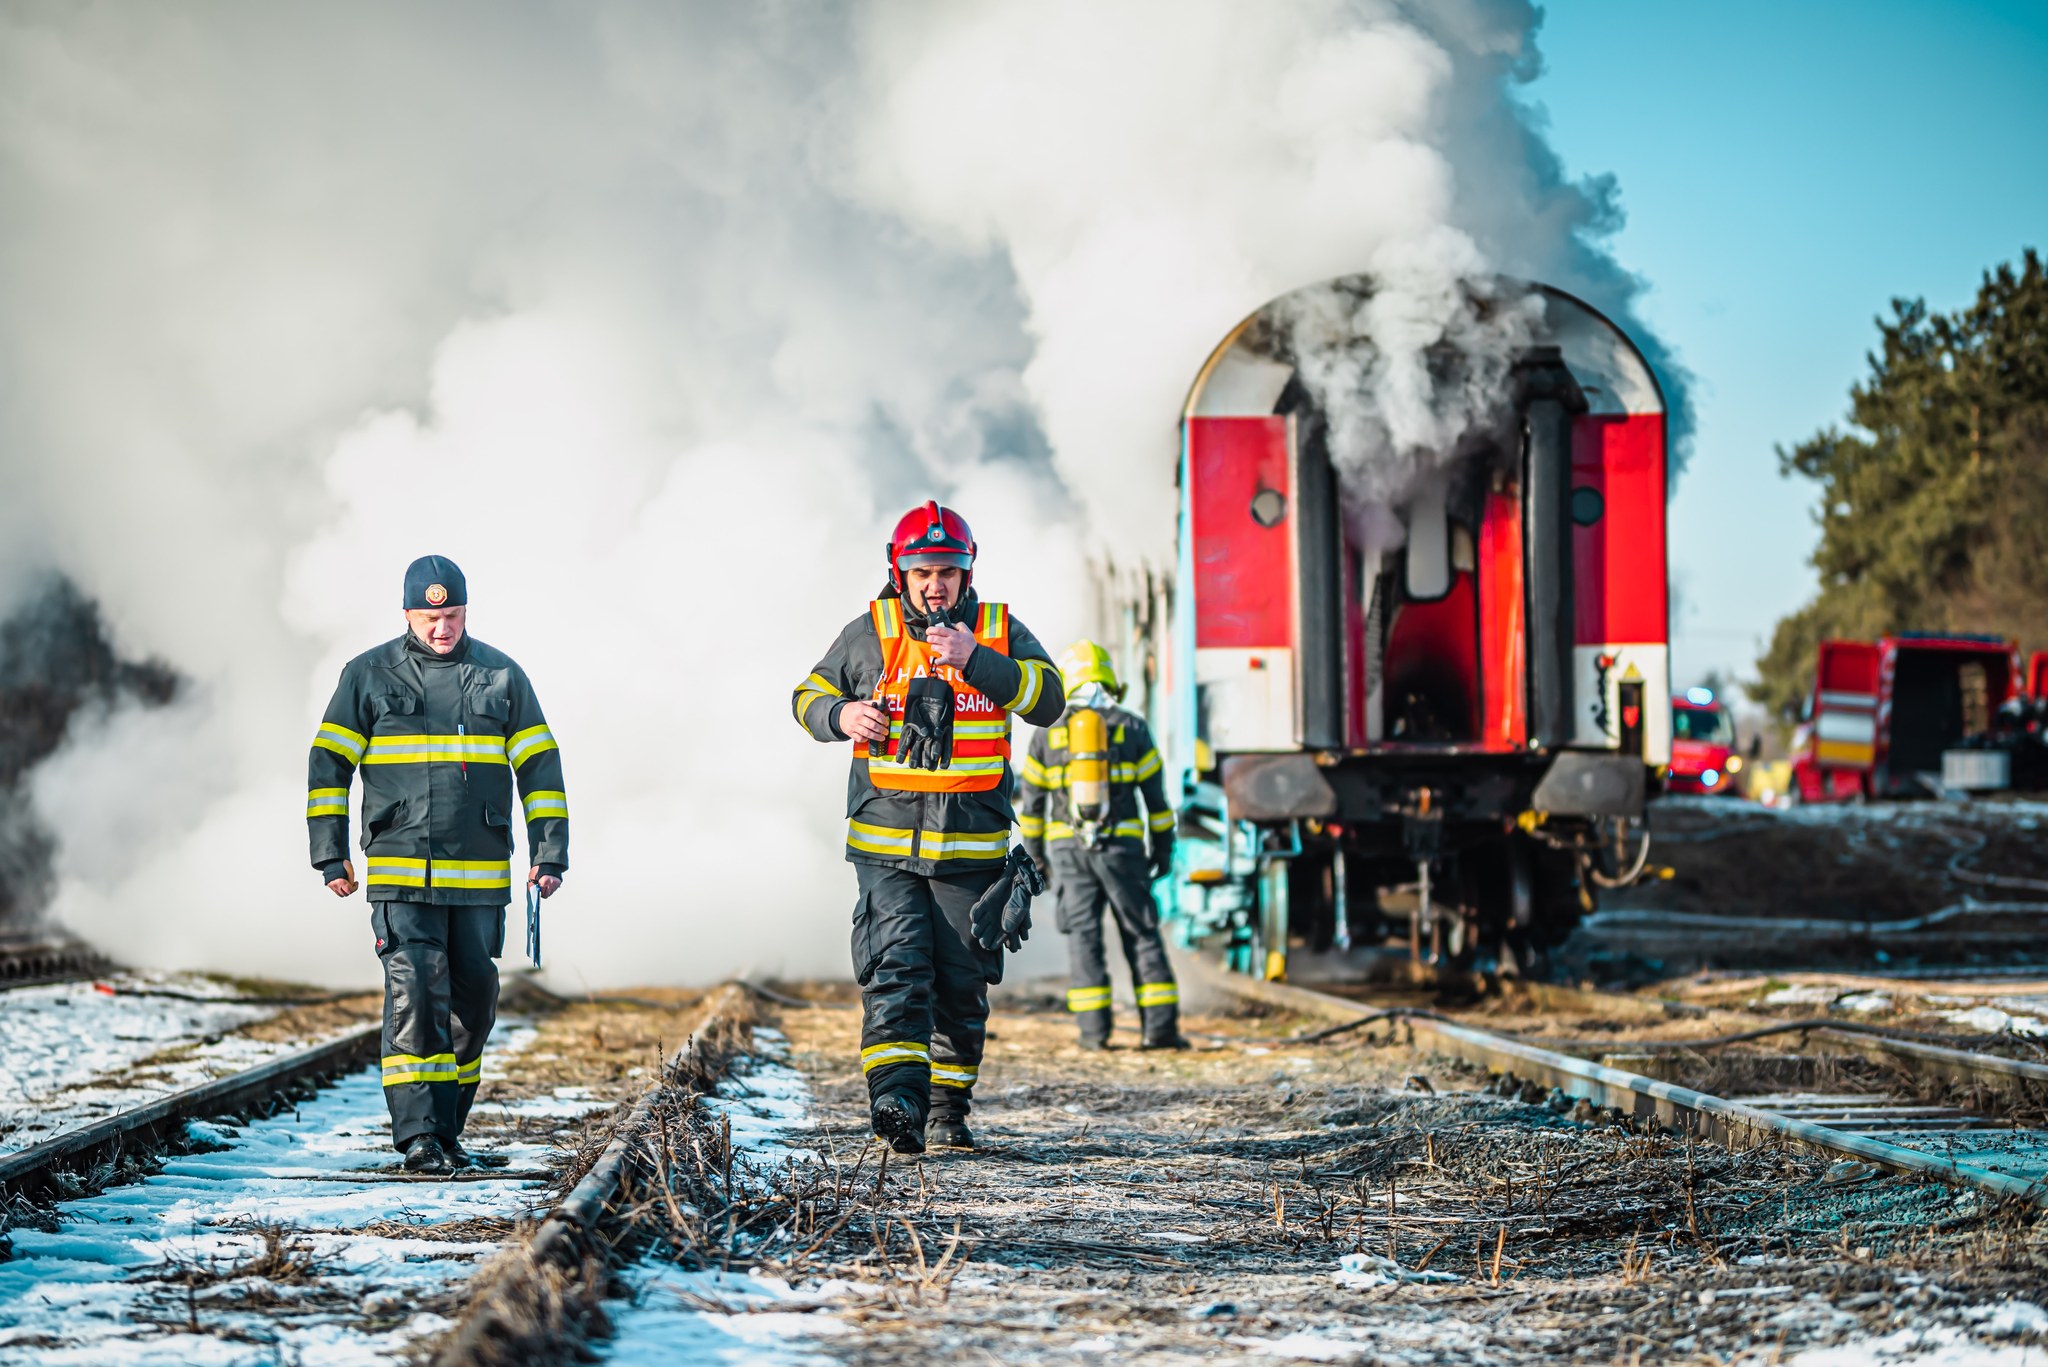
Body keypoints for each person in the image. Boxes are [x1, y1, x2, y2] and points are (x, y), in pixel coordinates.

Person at [791, 501, 1064, 1154]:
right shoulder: (868, 633)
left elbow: (1050, 700)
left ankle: (947, 1109)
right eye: (922, 572)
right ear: (900, 572)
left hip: (970, 853)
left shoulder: (997, 629)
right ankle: (898, 1104)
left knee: (961, 988)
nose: (935, 583)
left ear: (967, 575)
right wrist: (840, 714)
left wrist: (978, 660)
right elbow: (804, 695)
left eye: (947, 571)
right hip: (885, 849)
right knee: (895, 967)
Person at [307, 555, 568, 1174]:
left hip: (479, 880)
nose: (442, 628)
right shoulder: (367, 675)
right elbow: (328, 768)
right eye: (430, 617)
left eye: (452, 616)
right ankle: (419, 1139)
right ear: (407, 614)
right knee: (416, 995)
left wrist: (550, 852)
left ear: (465, 613)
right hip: (399, 871)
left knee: (473, 1005)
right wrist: (330, 853)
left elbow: (541, 770)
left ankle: (447, 1133)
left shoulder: (502, 676)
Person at [1017, 640, 1187, 1050]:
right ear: (1109, 680)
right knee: (1142, 933)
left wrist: (1037, 860)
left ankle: (1094, 1036)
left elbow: (1033, 809)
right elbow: (1157, 803)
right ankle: (1160, 1032)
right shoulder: (1132, 728)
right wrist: (1163, 850)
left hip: (1068, 854)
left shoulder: (1046, 735)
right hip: (1123, 851)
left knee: (1083, 938)